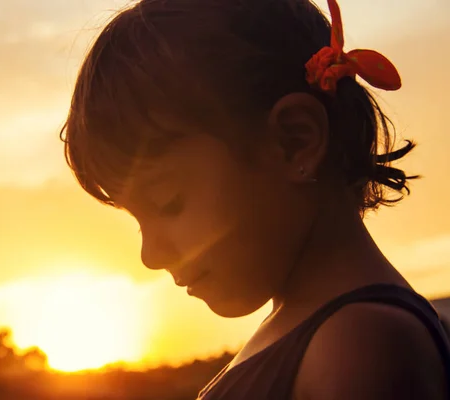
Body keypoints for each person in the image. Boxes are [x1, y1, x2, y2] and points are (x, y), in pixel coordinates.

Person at [60, 0, 450, 398]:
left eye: (168, 203)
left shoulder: (359, 345)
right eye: (140, 220)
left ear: (295, 142)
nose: (151, 255)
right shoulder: (311, 332)